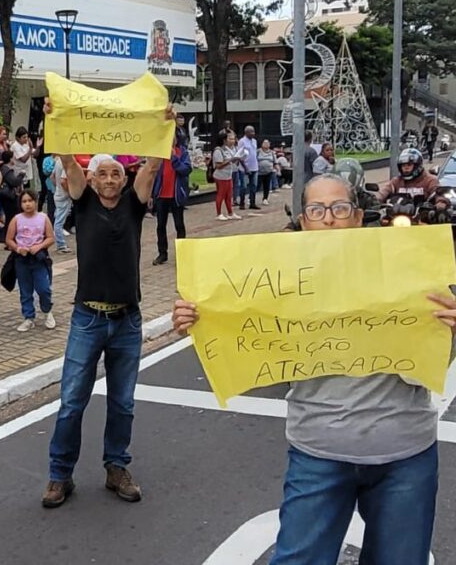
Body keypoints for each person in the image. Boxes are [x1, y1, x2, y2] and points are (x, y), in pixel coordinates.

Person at [174, 173, 453, 565]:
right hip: (318, 452)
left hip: (404, 453)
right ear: (303, 221)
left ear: (357, 217)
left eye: (339, 208)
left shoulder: (408, 265)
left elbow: (436, 354)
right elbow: (239, 326)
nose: (329, 218)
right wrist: (198, 317)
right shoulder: (279, 278)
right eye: (316, 210)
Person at [41, 100, 174, 509]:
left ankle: (116, 467)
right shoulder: (83, 202)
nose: (111, 178)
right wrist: (56, 120)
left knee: (123, 402)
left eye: (117, 172)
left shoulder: (135, 204)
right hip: (87, 319)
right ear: (93, 181)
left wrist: (163, 126)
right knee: (71, 402)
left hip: (128, 321)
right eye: (103, 173)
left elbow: (151, 167)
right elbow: (67, 158)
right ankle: (59, 475)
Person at [6, 190, 55, 332]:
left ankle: (47, 311)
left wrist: (39, 246)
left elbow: (50, 238)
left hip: (39, 259)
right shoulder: (16, 219)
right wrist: (18, 248)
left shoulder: (43, 218)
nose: (27, 204)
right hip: (22, 259)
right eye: (24, 201)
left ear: (36, 201)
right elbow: (9, 239)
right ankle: (28, 317)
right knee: (25, 289)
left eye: (30, 200)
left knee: (44, 288)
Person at [151, 134, 191, 265]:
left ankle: (182, 253)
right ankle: (162, 254)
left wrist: (174, 158)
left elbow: (186, 169)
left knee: (179, 225)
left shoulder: (183, 152)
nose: (170, 139)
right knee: (160, 226)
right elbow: (153, 174)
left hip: (176, 196)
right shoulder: (159, 154)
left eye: (172, 137)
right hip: (161, 196)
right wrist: (151, 194)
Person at [212, 130, 242, 221]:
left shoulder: (230, 149)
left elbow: (233, 162)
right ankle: (219, 213)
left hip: (228, 175)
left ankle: (230, 213)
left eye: (233, 139)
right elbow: (218, 166)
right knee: (221, 194)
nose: (232, 141)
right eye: (230, 139)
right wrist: (230, 161)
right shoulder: (218, 150)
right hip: (221, 176)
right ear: (224, 140)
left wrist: (237, 160)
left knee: (229, 195)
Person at [51, 155, 73, 254]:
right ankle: (61, 245)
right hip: (64, 195)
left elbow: (52, 177)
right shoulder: (66, 162)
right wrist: (69, 192)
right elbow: (63, 181)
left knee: (58, 218)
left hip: (58, 193)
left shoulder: (58, 161)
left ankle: (61, 243)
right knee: (59, 221)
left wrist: (57, 188)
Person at [0, 150, 24, 228]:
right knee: (11, 217)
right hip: (8, 197)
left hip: (7, 197)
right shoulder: (6, 169)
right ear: (10, 159)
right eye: (13, 158)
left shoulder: (4, 168)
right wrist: (21, 175)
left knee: (10, 217)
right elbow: (14, 182)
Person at [237, 125, 259, 210]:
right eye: (251, 132)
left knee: (254, 186)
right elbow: (240, 155)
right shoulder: (242, 141)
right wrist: (245, 167)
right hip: (244, 168)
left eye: (253, 131)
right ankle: (242, 203)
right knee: (244, 186)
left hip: (254, 167)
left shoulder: (254, 141)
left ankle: (252, 203)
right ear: (246, 132)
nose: (253, 133)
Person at [257, 139, 276, 206]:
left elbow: (275, 162)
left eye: (267, 143)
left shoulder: (272, 152)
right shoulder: (258, 151)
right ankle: (251, 198)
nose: (266, 144)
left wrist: (276, 168)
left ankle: (265, 199)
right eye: (264, 143)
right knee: (257, 185)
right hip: (259, 172)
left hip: (269, 172)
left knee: (266, 186)